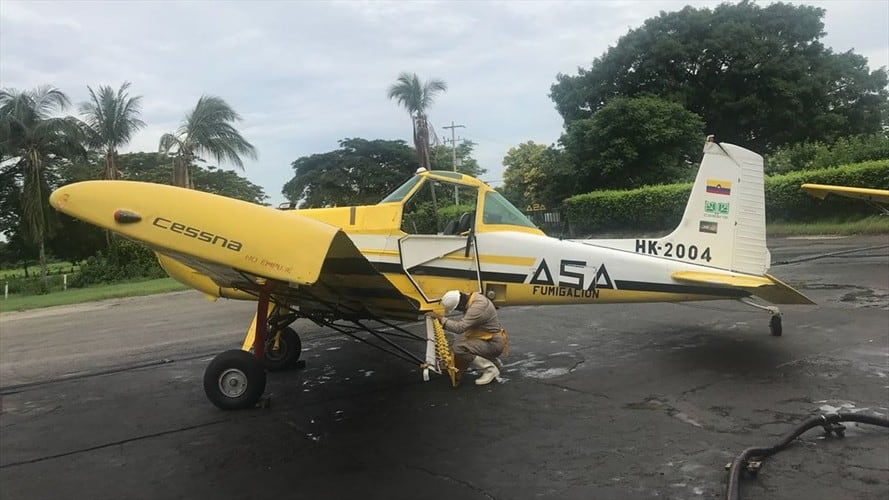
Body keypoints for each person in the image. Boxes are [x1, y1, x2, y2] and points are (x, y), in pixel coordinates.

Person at [427, 290, 508, 386]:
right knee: (462, 342)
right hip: (487, 340)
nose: (459, 310)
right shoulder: (474, 299)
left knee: (459, 348)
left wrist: (441, 319)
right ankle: (493, 361)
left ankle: (490, 369)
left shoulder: (478, 307)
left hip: (492, 343)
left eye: (457, 308)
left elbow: (459, 328)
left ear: (460, 304)